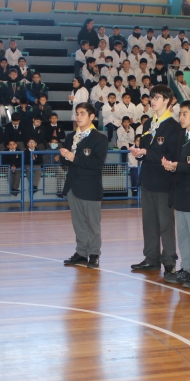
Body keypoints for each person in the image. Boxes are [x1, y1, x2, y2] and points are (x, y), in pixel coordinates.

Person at [129, 84, 182, 276]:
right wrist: (139, 152)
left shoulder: (174, 127)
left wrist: (146, 152)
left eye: (157, 97)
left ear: (167, 101)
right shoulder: (147, 124)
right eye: (152, 97)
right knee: (149, 222)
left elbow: (170, 154)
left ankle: (169, 260)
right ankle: (151, 258)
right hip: (148, 178)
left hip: (164, 180)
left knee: (165, 222)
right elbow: (146, 148)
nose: (153, 100)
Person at [160, 100, 190, 289]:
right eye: (180, 114)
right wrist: (169, 165)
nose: (181, 117)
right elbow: (174, 159)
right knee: (183, 234)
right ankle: (186, 268)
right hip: (179, 191)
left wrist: (176, 166)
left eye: (185, 114)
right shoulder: (180, 135)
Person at [61, 102, 107, 269]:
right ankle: (81, 252)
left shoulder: (99, 138)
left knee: (92, 223)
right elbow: (65, 164)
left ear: (91, 117)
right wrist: (64, 157)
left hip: (90, 186)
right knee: (78, 222)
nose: (78, 117)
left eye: (82, 114)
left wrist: (74, 158)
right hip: (73, 186)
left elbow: (97, 163)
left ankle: (94, 253)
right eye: (77, 113)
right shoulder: (70, 137)